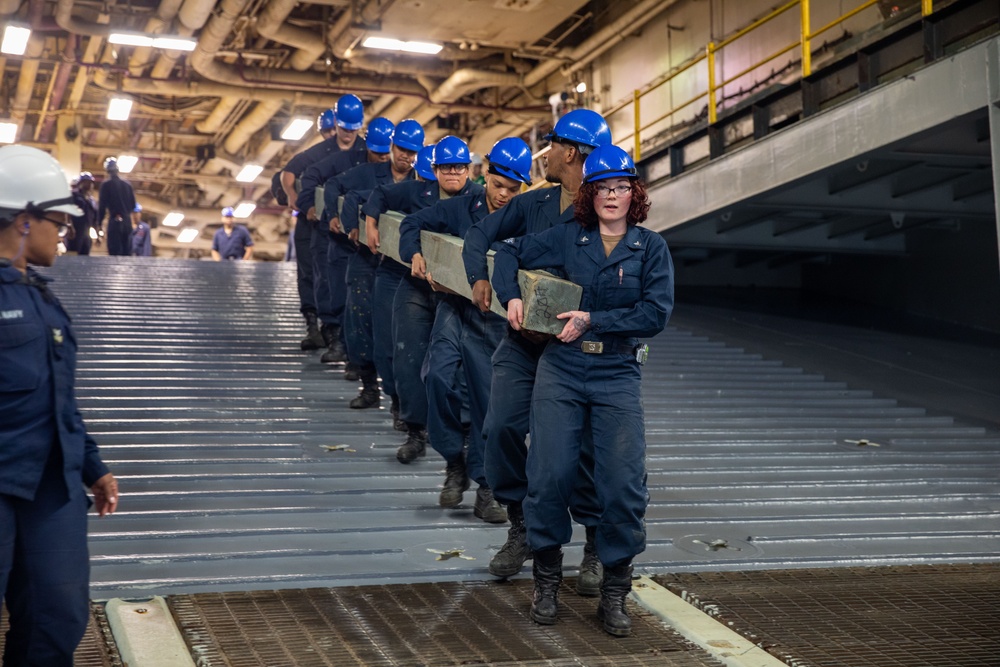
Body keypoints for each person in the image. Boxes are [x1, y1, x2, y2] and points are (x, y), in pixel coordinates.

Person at [492, 144, 673, 636]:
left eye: (621, 187)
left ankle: (616, 590)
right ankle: (546, 581)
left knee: (622, 484)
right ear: (589, 193)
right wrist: (510, 294)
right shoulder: (570, 238)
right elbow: (508, 250)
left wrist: (596, 318)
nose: (612, 196)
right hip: (562, 369)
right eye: (602, 188)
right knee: (548, 475)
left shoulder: (650, 247)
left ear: (633, 192)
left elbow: (656, 314)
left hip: (617, 371)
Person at [462, 108, 611, 589]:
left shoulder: (608, 209)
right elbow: (485, 237)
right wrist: (487, 281)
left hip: (579, 348)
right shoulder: (536, 204)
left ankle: (595, 546)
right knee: (501, 425)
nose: (543, 155)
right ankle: (520, 525)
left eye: (550, 147)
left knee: (584, 447)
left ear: (569, 151)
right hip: (524, 340)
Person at [0, 144, 119, 664]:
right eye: (57, 220)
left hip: (52, 484)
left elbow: (59, 396)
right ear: (24, 220)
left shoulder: (41, 298)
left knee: (59, 613)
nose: (66, 232)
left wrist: (93, 465)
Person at [399, 137, 532, 523]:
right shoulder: (461, 206)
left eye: (513, 188)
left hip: (494, 321)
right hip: (454, 308)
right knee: (436, 375)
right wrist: (416, 253)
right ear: (485, 174)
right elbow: (412, 223)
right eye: (498, 185)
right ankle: (453, 461)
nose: (504, 194)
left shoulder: (526, 216)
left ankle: (486, 488)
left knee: (489, 403)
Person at [362, 136, 484, 465]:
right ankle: (415, 430)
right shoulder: (420, 193)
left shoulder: (481, 199)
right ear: (435, 170)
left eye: (459, 166)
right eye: (445, 167)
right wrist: (374, 223)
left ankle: (467, 431)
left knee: (461, 363)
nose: (453, 173)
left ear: (469, 169)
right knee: (408, 354)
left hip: (461, 294)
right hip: (418, 284)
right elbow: (382, 194)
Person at [326, 120, 423, 405]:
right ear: (392, 147)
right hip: (366, 259)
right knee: (359, 321)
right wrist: (344, 219)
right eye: (402, 149)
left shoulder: (421, 182)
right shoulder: (370, 172)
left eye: (412, 152)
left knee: (396, 334)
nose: (407, 156)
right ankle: (368, 386)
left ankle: (399, 400)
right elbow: (337, 186)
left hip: (400, 268)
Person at [282, 95, 367, 352]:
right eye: (343, 128)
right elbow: (289, 172)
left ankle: (349, 339)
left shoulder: (365, 151)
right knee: (321, 276)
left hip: (355, 230)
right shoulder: (322, 153)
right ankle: (328, 331)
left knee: (353, 282)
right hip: (322, 227)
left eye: (353, 129)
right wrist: (296, 199)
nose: (348, 134)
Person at [97, 156, 137, 256]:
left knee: (115, 252)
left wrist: (99, 223)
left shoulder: (105, 185)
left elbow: (102, 206)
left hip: (114, 221)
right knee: (127, 251)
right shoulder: (127, 185)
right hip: (127, 222)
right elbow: (133, 205)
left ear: (107, 170)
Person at [66, 171, 98, 255]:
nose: (90, 185)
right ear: (81, 183)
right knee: (72, 254)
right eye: (87, 182)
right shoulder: (73, 195)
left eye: (91, 183)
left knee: (85, 256)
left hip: (86, 233)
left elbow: (94, 217)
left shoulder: (91, 200)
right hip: (75, 231)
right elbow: (67, 211)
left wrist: (97, 233)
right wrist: (70, 226)